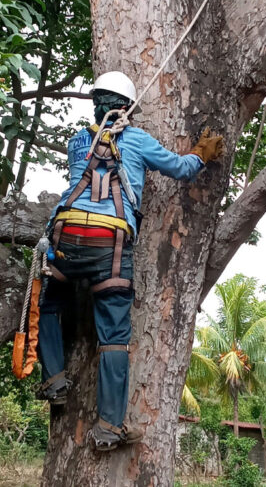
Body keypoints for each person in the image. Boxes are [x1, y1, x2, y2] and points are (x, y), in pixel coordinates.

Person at [35, 70, 224, 451]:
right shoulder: (136, 140)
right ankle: (108, 428)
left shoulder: (77, 142)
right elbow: (182, 169)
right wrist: (202, 153)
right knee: (114, 338)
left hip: (66, 236)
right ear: (126, 108)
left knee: (50, 303)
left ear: (96, 104)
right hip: (111, 243)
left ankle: (54, 380)